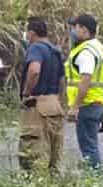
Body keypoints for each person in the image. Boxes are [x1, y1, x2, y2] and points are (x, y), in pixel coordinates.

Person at [64, 13, 103, 171]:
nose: (72, 30)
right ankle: (96, 181)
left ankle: (95, 182)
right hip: (97, 102)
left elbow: (85, 80)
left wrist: (75, 107)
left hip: (87, 104)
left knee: (88, 147)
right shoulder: (97, 46)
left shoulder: (85, 52)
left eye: (74, 27)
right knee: (92, 144)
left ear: (83, 29)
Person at [18, 18, 64, 174]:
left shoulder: (36, 48)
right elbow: (62, 80)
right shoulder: (56, 51)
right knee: (53, 152)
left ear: (31, 33)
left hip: (37, 104)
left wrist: (26, 92)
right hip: (54, 104)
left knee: (34, 153)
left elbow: (34, 70)